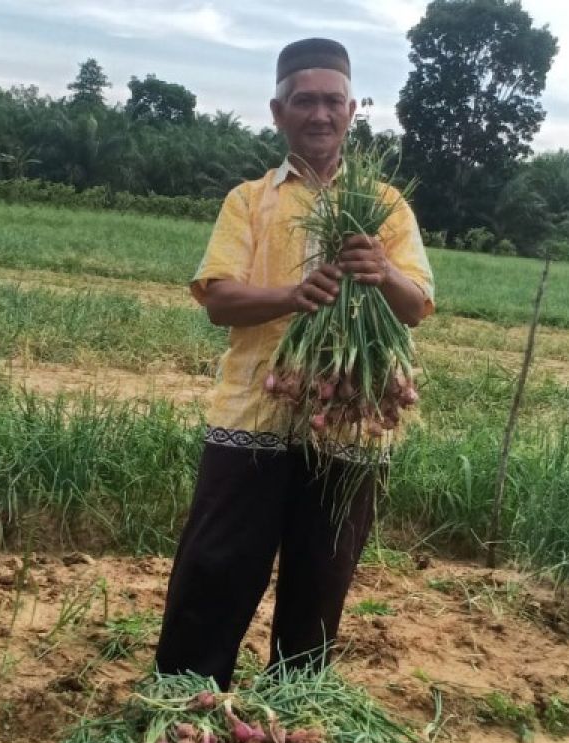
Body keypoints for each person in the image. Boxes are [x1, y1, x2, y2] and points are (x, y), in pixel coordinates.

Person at [153, 37, 435, 690]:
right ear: (278, 113)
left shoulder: (386, 206)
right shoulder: (249, 201)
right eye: (303, 101)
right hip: (256, 412)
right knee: (215, 567)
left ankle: (295, 716)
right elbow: (218, 298)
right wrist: (291, 295)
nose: (319, 114)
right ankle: (182, 706)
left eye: (332, 101)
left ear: (352, 111)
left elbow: (417, 305)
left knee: (321, 577)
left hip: (351, 419)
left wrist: (382, 270)